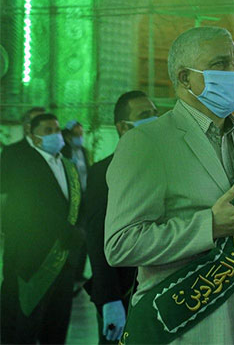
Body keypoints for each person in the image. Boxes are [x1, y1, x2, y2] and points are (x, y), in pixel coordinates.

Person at [104, 26, 234, 344]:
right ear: (185, 78)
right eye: (219, 64)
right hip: (187, 324)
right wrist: (209, 226)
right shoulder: (148, 142)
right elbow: (121, 244)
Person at [0, 113, 84, 344]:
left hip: (66, 258)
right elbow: (32, 209)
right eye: (48, 131)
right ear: (34, 136)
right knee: (28, 323)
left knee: (57, 324)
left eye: (56, 130)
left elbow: (78, 203)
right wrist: (67, 232)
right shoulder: (24, 165)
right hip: (34, 259)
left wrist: (79, 232)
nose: (55, 135)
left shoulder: (68, 165)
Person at [84, 90, 158, 343]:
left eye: (155, 113)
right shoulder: (103, 172)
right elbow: (97, 237)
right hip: (123, 289)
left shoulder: (167, 165)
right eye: (145, 114)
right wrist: (110, 299)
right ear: (123, 127)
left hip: (160, 288)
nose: (154, 119)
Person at [61, 120, 91, 191]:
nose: (80, 137)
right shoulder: (63, 153)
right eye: (76, 135)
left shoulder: (85, 152)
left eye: (81, 134)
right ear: (67, 136)